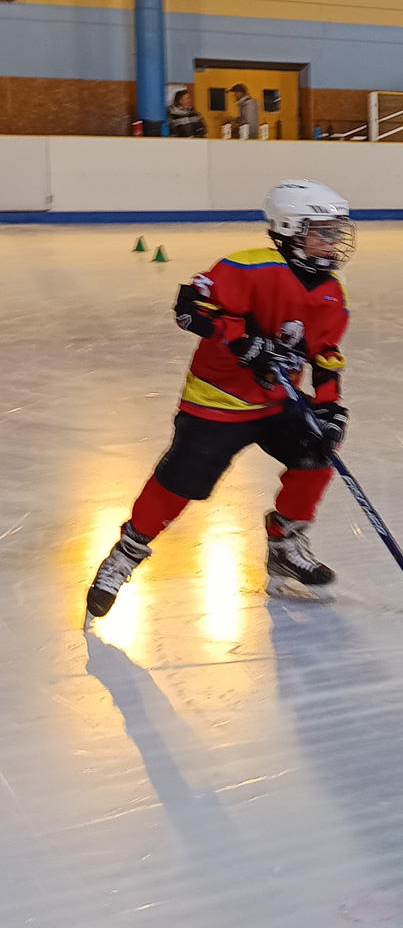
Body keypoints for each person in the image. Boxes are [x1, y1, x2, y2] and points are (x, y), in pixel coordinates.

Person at [85, 180, 355, 618]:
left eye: (335, 232)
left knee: (318, 454)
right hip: (218, 401)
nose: (333, 241)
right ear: (291, 229)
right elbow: (190, 307)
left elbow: (324, 353)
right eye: (322, 231)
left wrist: (329, 405)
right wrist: (242, 340)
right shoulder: (248, 267)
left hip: (276, 400)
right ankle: (126, 553)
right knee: (179, 484)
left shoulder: (331, 292)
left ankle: (285, 544)